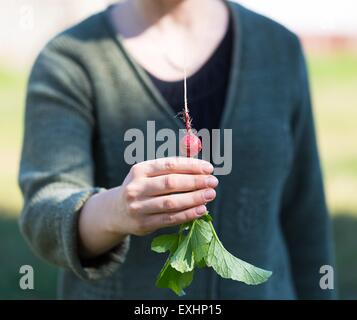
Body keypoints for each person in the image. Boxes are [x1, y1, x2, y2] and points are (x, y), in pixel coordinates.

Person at [19, 0, 335, 299]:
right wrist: (117, 211)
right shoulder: (70, 58)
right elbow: (43, 212)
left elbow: (306, 217)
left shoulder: (279, 49)